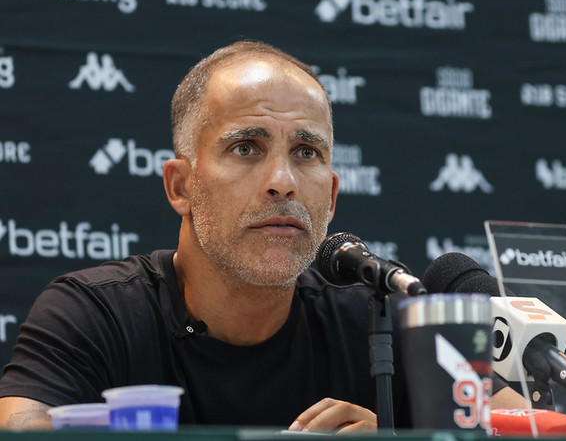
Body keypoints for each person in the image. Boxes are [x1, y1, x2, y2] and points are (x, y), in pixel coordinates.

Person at [0, 41, 525, 431]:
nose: (283, 182)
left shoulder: (380, 320)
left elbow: (528, 427)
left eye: (306, 153)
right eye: (246, 147)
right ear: (180, 186)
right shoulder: (94, 315)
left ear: (332, 195)